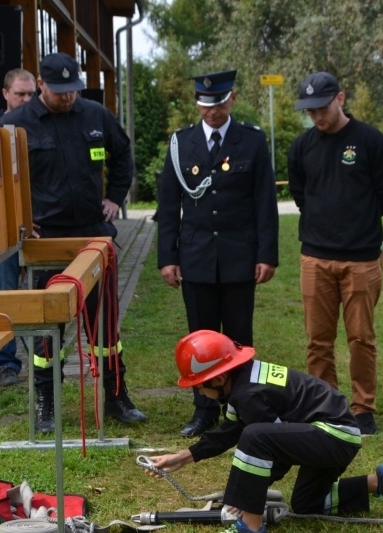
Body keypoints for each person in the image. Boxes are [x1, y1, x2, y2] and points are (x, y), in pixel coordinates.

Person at [0, 52, 146, 432]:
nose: (68, 98)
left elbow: (123, 152)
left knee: (105, 327)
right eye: (60, 91)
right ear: (42, 85)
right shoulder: (16, 125)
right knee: (48, 331)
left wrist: (115, 195)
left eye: (73, 91)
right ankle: (46, 403)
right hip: (46, 242)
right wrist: (18, 220)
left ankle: (116, 396)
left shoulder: (96, 115)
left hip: (94, 237)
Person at [147, 330, 383, 533]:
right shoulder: (241, 382)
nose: (200, 392)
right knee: (306, 503)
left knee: (255, 436)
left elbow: (274, 454)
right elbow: (229, 431)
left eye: (199, 386)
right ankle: (378, 481)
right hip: (328, 435)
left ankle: (250, 526)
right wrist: (183, 457)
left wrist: (243, 499)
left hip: (333, 434)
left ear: (218, 378)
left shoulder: (248, 393)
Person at [155, 69, 279, 438]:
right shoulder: (182, 143)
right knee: (201, 339)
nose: (213, 111)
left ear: (233, 99)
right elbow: (168, 204)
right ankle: (204, 410)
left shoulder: (252, 142)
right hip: (195, 257)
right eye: (207, 104)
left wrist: (267, 254)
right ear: (197, 103)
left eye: (220, 103)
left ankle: (243, 408)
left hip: (240, 255)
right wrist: (167, 257)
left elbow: (264, 203)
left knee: (239, 337)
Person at [288, 71, 383, 435]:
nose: (317, 117)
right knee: (317, 339)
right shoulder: (302, 146)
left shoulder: (371, 141)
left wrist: (358, 223)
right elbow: (301, 194)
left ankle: (363, 407)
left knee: (360, 337)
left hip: (362, 259)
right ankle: (325, 403)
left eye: (321, 108)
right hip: (315, 256)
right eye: (310, 111)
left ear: (340, 98)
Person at [0, 68, 37, 387]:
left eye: (32, 94)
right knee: (3, 291)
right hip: (2, 228)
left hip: (41, 225)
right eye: (20, 94)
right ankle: (7, 364)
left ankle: (48, 361)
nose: (27, 100)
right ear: (5, 94)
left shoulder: (44, 126)